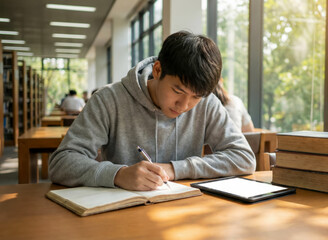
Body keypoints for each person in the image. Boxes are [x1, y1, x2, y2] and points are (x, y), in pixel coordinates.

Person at [49, 31, 255, 191]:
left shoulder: (207, 103)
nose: (184, 106)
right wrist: (117, 174)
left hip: (182, 210)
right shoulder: (108, 99)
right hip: (120, 215)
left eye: (195, 97)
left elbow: (244, 158)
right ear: (157, 70)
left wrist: (174, 169)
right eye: (177, 90)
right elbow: (61, 162)